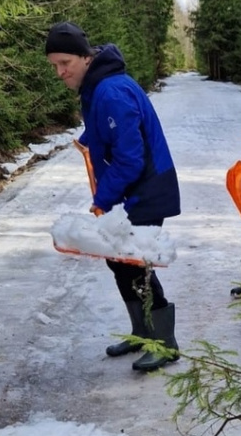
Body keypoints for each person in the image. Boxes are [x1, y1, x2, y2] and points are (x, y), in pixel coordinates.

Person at [45, 21, 181, 372]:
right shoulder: (96, 87)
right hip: (133, 188)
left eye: (65, 63)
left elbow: (131, 158)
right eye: (54, 66)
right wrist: (90, 138)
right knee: (118, 260)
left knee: (136, 264)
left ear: (85, 57)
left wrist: (101, 200)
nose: (60, 72)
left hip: (147, 188)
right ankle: (141, 332)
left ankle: (165, 344)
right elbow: (110, 131)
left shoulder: (110, 90)